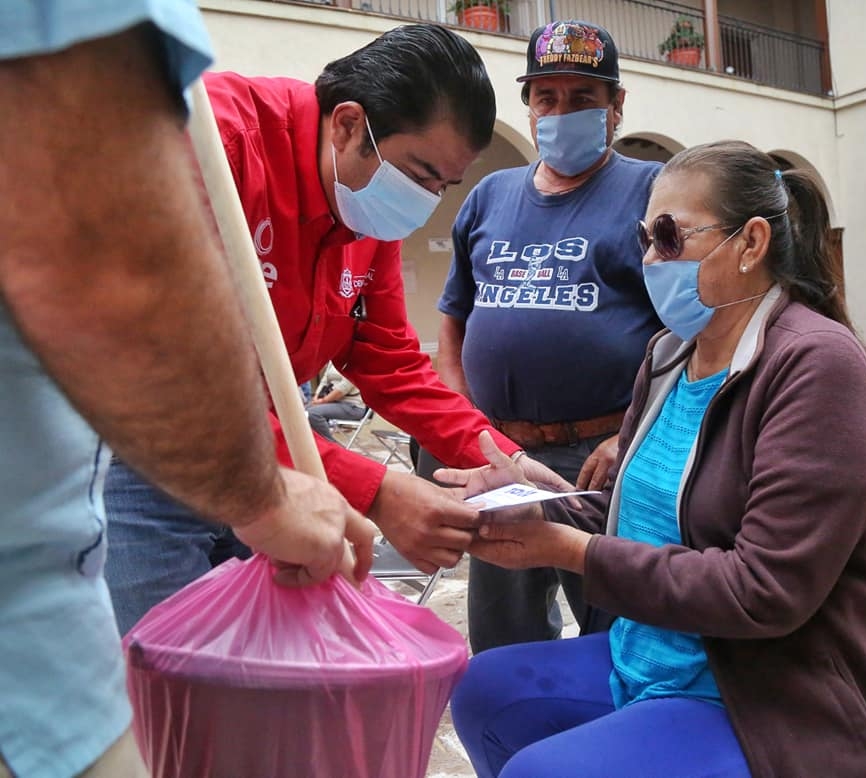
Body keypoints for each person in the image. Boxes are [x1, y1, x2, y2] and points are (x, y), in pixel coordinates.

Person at [440, 141, 866, 776]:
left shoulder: (817, 365)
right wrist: (533, 496)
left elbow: (764, 591)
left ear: (750, 244)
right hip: (652, 649)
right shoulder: (669, 356)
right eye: (644, 237)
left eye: (669, 236)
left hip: (764, 691)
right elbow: (653, 515)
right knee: (483, 690)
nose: (649, 259)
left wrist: (567, 550)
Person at [0, 5, 375, 777]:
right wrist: (265, 497)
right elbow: (109, 260)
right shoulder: (235, 129)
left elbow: (386, 348)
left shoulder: (360, 227)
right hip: (32, 642)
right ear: (344, 128)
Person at [104, 23, 569, 635]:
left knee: (264, 673)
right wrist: (376, 491)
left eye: (443, 186)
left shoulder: (364, 208)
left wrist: (496, 454)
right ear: (348, 125)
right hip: (153, 455)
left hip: (279, 452)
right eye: (419, 172)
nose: (425, 200)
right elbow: (168, 381)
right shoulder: (217, 145)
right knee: (163, 679)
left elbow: (387, 359)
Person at [428, 19, 663, 653]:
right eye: (546, 97)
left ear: (617, 105)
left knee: (615, 635)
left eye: (583, 98)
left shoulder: (654, 192)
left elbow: (691, 331)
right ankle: (520, 746)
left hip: (602, 458)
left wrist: (631, 434)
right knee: (505, 639)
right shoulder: (488, 197)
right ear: (528, 105)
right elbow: (454, 317)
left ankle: (605, 750)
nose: (561, 112)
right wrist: (463, 422)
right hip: (500, 456)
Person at [307, 362, 367, 441]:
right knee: (300, 412)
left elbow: (343, 388)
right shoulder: (333, 361)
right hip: (331, 402)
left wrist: (323, 400)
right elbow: (324, 380)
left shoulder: (356, 363)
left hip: (352, 406)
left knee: (313, 413)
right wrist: (316, 396)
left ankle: (330, 444)